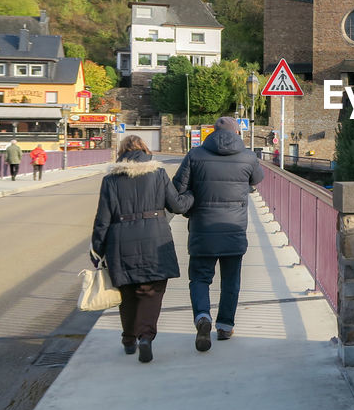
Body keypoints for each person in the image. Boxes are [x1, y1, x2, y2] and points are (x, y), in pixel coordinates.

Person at [91, 135, 193, 363]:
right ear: (145, 150)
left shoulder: (110, 179)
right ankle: (145, 337)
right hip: (154, 241)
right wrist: (191, 196)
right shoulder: (157, 174)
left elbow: (102, 219)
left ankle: (128, 340)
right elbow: (176, 205)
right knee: (151, 290)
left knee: (127, 293)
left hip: (120, 242)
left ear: (122, 153)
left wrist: (97, 249)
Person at [173, 116, 263, 352]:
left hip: (202, 229)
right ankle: (225, 326)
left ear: (212, 132)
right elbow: (257, 180)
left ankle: (202, 317)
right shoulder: (248, 156)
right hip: (234, 229)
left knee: (200, 278)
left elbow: (178, 189)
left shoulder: (195, 155)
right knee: (231, 280)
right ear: (237, 133)